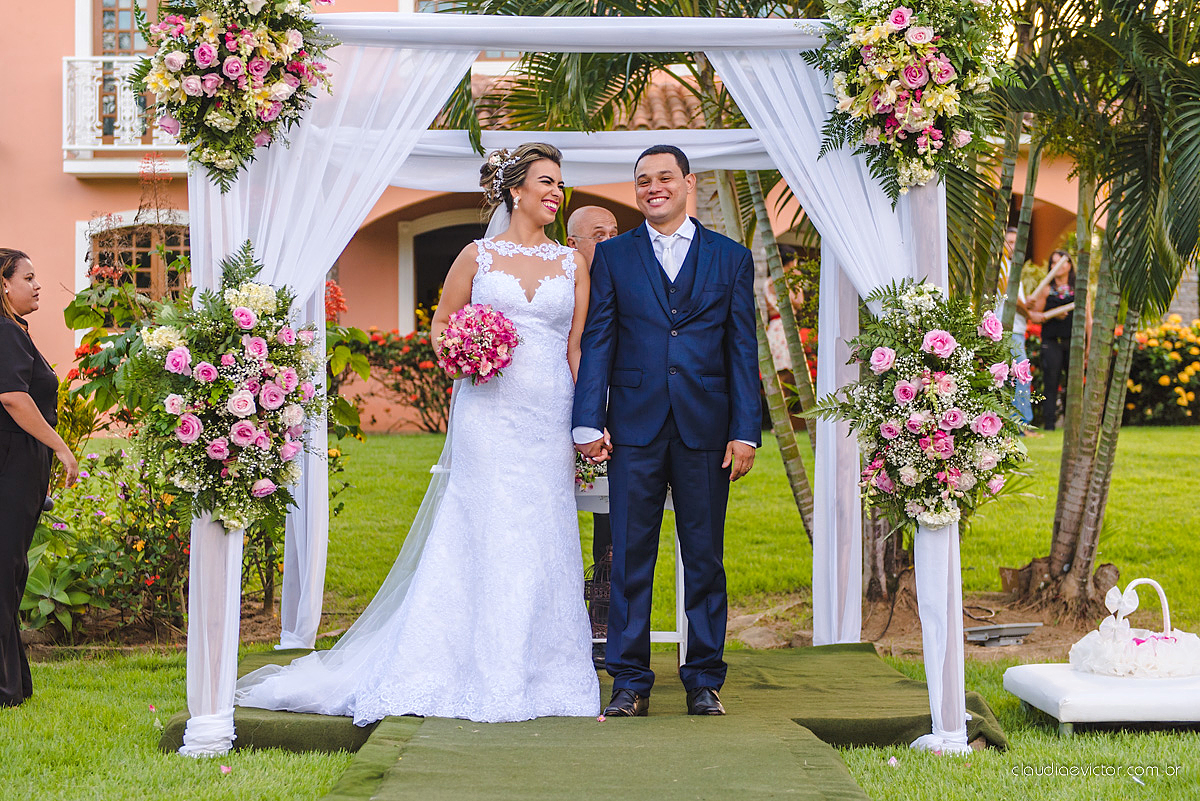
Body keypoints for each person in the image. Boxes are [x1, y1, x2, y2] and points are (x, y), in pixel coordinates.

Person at [236, 143, 600, 724]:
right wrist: (465, 355)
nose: (556, 193)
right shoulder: (477, 256)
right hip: (487, 412)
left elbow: (576, 347)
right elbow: (440, 328)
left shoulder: (572, 265)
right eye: (546, 182)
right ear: (516, 191)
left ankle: (542, 670)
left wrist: (588, 421)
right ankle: (460, 664)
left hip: (547, 414)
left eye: (560, 184)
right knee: (482, 527)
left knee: (542, 531)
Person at [573, 145, 760, 718]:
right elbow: (598, 340)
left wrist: (746, 430)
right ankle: (629, 682)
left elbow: (741, 348)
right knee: (630, 556)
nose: (653, 188)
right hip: (634, 425)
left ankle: (704, 680)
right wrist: (587, 419)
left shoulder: (730, 257)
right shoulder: (614, 257)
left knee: (704, 556)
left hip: (707, 428)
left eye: (664, 178)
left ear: (688, 183)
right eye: (642, 181)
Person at [1, 249, 79, 708]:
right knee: (6, 571)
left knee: (11, 572)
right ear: (4, 285)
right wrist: (61, 447)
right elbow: (13, 398)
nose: (37, 285)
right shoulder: (5, 331)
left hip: (20, 468)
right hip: (10, 467)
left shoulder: (17, 332)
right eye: (28, 277)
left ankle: (14, 684)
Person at [565, 205, 619, 670]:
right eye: (598, 234)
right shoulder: (560, 279)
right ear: (573, 245)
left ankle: (603, 619)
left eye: (615, 232)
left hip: (612, 419)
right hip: (554, 411)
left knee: (616, 522)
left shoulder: (629, 274)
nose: (610, 240)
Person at [1030, 249, 1076, 431]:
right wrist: (1051, 316)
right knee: (1051, 382)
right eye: (1053, 263)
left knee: (1073, 384)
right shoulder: (1047, 290)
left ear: (1069, 265)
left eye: (1060, 262)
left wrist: (1087, 345)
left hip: (1073, 342)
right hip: (1051, 343)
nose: (1056, 266)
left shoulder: (1077, 289)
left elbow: (1087, 319)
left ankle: (1072, 422)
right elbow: (1034, 316)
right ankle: (1049, 424)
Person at [997, 228, 1034, 427]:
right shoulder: (1002, 266)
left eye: (1016, 241)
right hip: (1008, 329)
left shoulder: (1011, 266)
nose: (1012, 246)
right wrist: (1029, 312)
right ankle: (1021, 423)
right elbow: (1010, 295)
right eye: (1009, 241)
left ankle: (1015, 422)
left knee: (1014, 376)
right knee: (1020, 376)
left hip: (1015, 327)